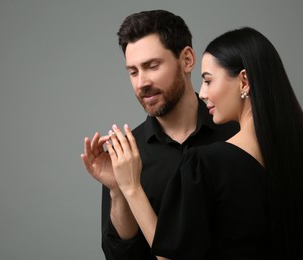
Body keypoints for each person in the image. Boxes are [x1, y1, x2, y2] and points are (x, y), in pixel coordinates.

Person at [106, 27, 303, 259]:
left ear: (244, 81)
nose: (202, 93)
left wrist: (131, 188)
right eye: (132, 71)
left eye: (208, 81)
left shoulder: (206, 164)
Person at [81, 10, 239, 259]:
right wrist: (118, 190)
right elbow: (122, 257)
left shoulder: (236, 134)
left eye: (152, 66)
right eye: (133, 72)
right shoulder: (126, 154)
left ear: (187, 59)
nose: (141, 82)